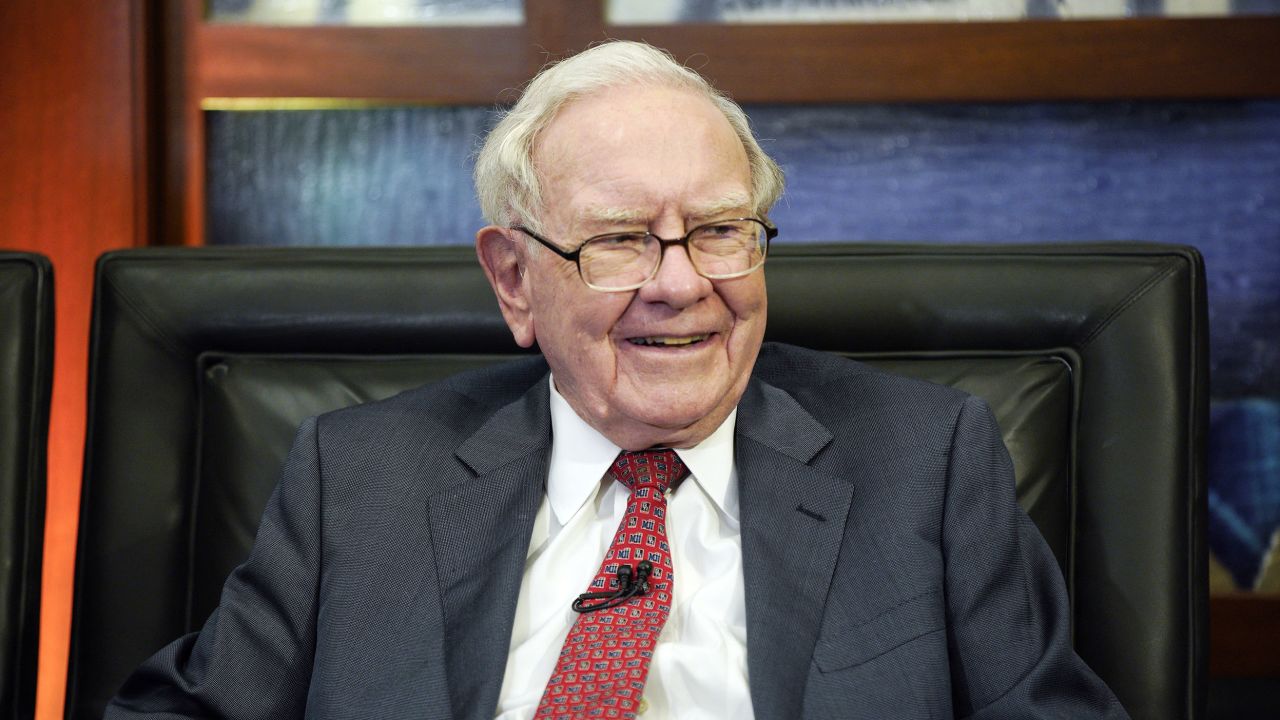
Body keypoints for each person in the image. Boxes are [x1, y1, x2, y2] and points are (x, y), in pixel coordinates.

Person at [106, 41, 1128, 719]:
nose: (681, 286)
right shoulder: (361, 480)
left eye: (720, 231)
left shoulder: (925, 460)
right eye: (620, 242)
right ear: (514, 279)